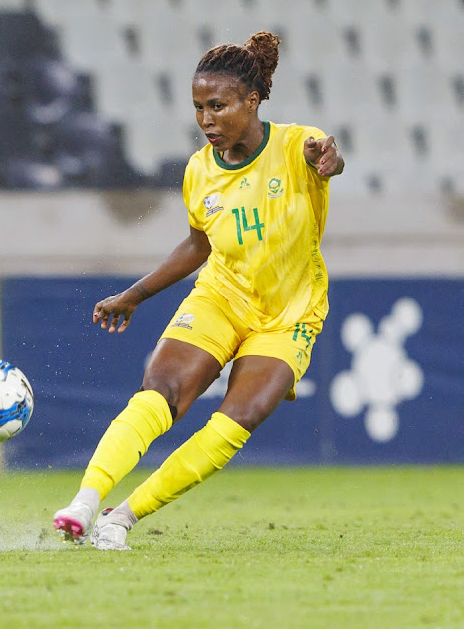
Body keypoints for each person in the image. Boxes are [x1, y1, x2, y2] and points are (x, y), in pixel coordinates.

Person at [52, 31, 344, 550]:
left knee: (239, 419)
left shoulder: (298, 145)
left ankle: (122, 517)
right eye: (198, 108)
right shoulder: (199, 171)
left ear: (251, 102)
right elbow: (197, 246)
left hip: (289, 314)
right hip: (220, 298)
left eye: (218, 106)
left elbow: (328, 157)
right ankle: (85, 501)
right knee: (160, 391)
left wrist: (329, 161)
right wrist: (136, 294)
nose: (207, 119)